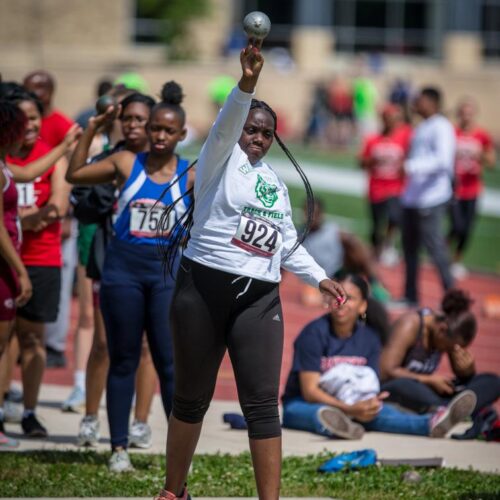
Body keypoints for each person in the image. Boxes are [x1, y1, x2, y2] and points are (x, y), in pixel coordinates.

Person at [154, 40, 346, 500]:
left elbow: (281, 243)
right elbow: (225, 122)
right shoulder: (220, 159)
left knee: (263, 405)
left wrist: (319, 276)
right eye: (251, 129)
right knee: (190, 401)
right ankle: (173, 491)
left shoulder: (274, 185)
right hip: (201, 290)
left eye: (266, 133)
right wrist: (248, 81)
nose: (257, 138)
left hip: (258, 300)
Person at [67, 82, 191, 472]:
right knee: (122, 359)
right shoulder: (124, 164)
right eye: (154, 128)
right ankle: (118, 448)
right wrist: (93, 127)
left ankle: (179, 453)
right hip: (122, 275)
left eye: (167, 130)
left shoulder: (190, 174)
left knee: (168, 363)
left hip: (165, 280)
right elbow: (75, 173)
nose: (158, 135)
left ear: (181, 135)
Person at [282, 274, 476, 440]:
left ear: (362, 306)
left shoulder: (370, 338)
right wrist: (348, 409)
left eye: (348, 298)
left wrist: (369, 403)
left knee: (381, 412)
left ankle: (430, 424)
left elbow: (370, 383)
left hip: (353, 403)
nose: (340, 302)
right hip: (306, 403)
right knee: (318, 414)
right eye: (336, 296)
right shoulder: (313, 334)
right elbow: (309, 391)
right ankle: (341, 424)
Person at [71, 91, 160, 450]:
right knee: (105, 344)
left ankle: (140, 422)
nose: (135, 126)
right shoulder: (111, 161)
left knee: (144, 347)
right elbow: (79, 195)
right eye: (129, 119)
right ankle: (91, 416)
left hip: (154, 268)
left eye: (142, 120)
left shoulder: (163, 164)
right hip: (111, 263)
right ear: (119, 122)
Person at [0, 100, 78, 447]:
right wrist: (21, 270)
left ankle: (23, 413)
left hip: (33, 262)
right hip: (12, 264)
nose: (28, 129)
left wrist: (64, 145)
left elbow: (32, 175)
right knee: (3, 343)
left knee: (25, 340)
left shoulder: (7, 166)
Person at [380, 289, 500, 419]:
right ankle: (448, 411)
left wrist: (467, 372)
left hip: (427, 393)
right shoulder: (411, 325)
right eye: (450, 347)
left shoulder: (446, 337)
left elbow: (461, 380)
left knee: (492, 381)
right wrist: (429, 380)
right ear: (442, 330)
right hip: (396, 388)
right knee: (406, 385)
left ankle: (448, 411)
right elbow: (386, 371)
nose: (450, 351)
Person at [399, 87, 456, 306]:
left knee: (436, 249)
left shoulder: (442, 127)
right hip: (412, 198)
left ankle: (452, 298)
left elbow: (443, 161)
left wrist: (411, 166)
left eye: (420, 100)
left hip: (431, 199)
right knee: (409, 250)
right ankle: (410, 295)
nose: (416, 103)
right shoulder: (422, 127)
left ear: (433, 102)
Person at [449, 98, 496, 279]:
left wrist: (481, 155)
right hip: (454, 189)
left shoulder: (481, 135)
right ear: (459, 114)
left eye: (470, 113)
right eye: (463, 112)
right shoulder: (452, 133)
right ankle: (442, 249)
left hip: (473, 189)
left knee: (466, 229)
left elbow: (491, 162)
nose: (466, 117)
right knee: (457, 226)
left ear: (474, 114)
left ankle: (456, 260)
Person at [359, 103, 410, 265]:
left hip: (396, 187)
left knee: (395, 217)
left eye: (394, 119)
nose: (391, 122)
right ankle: (376, 249)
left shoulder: (405, 137)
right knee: (376, 225)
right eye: (388, 118)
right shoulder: (372, 139)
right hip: (376, 188)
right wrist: (373, 159)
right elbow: (361, 163)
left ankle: (388, 243)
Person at [23, 71, 74, 148]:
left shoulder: (63, 125)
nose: (36, 93)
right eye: (28, 89)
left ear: (51, 90)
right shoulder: (16, 122)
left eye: (40, 87)